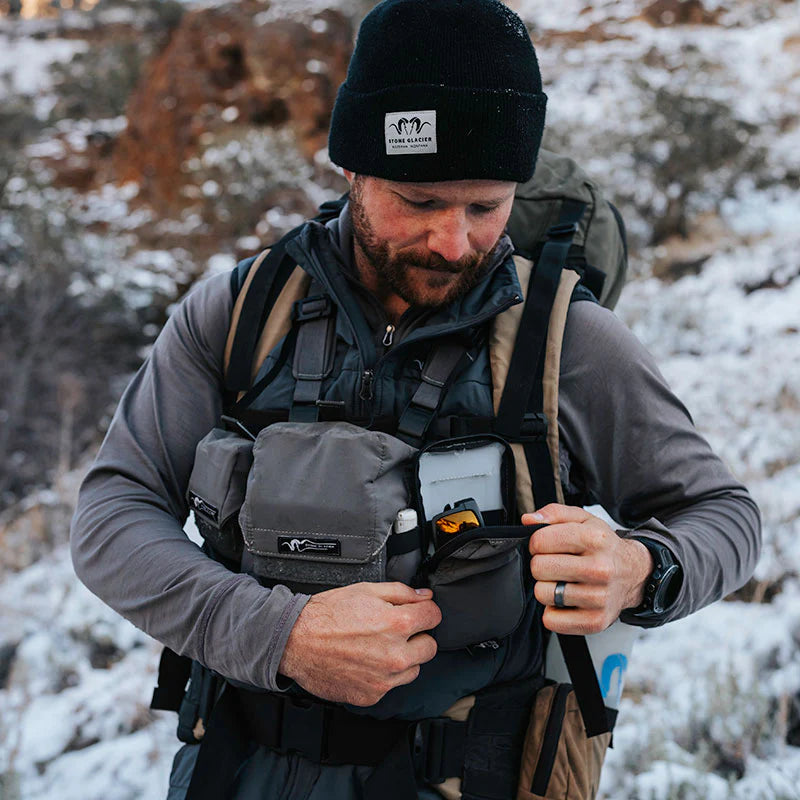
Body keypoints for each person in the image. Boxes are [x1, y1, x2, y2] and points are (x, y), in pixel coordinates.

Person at [70, 1, 761, 798]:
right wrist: (279, 635)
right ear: (354, 170)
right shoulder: (241, 313)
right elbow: (111, 514)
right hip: (232, 769)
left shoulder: (570, 344)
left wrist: (644, 566)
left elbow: (725, 516)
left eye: (486, 205)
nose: (453, 242)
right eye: (421, 201)